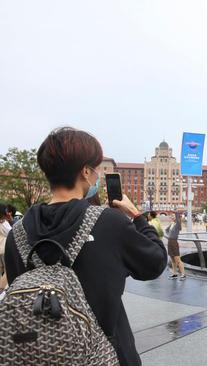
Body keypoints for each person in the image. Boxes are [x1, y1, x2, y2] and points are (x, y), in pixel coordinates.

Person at [3, 127, 168, 365]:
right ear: (86, 171)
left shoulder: (17, 234)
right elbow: (155, 263)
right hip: (106, 356)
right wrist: (137, 216)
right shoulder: (109, 223)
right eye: (97, 168)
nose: (97, 175)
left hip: (39, 356)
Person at [165, 211, 185, 280]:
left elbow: (177, 217)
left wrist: (176, 212)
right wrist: (170, 236)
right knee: (173, 259)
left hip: (174, 242)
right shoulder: (172, 224)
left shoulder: (178, 225)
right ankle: (174, 273)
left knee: (178, 260)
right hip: (170, 242)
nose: (172, 217)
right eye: (172, 216)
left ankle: (183, 274)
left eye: (173, 216)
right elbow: (166, 230)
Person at [0, 203, 11, 292]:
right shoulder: (4, 223)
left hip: (3, 250)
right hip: (4, 250)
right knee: (7, 271)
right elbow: (10, 233)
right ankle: (3, 291)